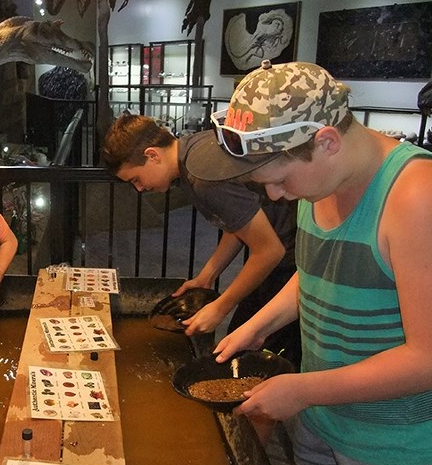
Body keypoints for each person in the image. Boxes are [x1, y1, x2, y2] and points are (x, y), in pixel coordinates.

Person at [203, 60, 432, 465]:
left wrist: (302, 389)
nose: (276, 196)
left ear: (326, 141)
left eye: (280, 180)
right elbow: (318, 270)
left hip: (398, 438)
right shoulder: (319, 180)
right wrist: (257, 325)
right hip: (324, 413)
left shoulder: (419, 195)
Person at [101, 113, 301, 365]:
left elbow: (269, 251)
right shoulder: (194, 149)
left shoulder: (201, 176)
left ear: (152, 155)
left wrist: (219, 309)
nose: (139, 188)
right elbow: (238, 224)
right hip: (282, 246)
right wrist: (206, 276)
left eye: (136, 179)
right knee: (238, 345)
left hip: (292, 257)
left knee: (252, 359)